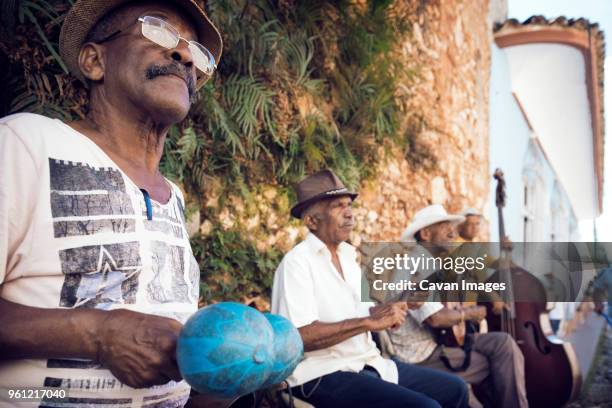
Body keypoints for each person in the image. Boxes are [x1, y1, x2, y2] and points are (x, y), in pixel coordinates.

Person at [0, 1, 222, 406]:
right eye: (159, 31)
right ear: (94, 60)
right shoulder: (24, 143)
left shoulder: (175, 198)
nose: (185, 55)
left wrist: (223, 377)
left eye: (196, 51)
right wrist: (97, 334)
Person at [271, 170, 469, 408]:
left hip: (369, 363)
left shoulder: (348, 258)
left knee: (455, 389)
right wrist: (367, 323)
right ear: (312, 221)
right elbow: (298, 337)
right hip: (321, 374)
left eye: (349, 205)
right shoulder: (296, 263)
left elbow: (369, 315)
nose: (349, 213)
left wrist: (396, 305)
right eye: (337, 206)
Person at [388, 205, 528, 408]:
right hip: (422, 355)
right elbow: (436, 319)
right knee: (501, 362)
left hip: (441, 342)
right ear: (426, 233)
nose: (452, 231)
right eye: (445, 226)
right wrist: (469, 314)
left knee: (503, 343)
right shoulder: (417, 263)